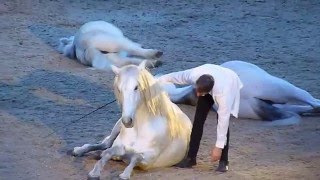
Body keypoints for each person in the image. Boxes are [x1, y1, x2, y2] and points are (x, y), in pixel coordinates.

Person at [157, 64, 243, 172]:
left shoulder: (223, 94)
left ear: (208, 91)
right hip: (211, 77)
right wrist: (159, 80)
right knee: (198, 120)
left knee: (221, 120)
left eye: (200, 93)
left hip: (229, 81)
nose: (197, 94)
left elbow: (223, 122)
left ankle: (224, 161)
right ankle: (191, 158)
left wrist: (218, 147)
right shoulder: (194, 75)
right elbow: (178, 76)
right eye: (197, 90)